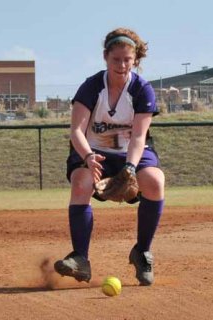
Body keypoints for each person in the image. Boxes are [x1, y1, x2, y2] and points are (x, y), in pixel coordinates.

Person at [54, 27, 165, 286]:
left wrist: (130, 166)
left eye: (128, 59)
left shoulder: (142, 90)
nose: (122, 65)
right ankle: (80, 258)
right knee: (81, 182)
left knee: (155, 182)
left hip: (130, 151)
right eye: (116, 59)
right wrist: (89, 157)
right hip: (94, 151)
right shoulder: (92, 87)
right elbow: (76, 131)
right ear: (106, 57)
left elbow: (139, 137)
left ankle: (142, 252)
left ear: (135, 60)